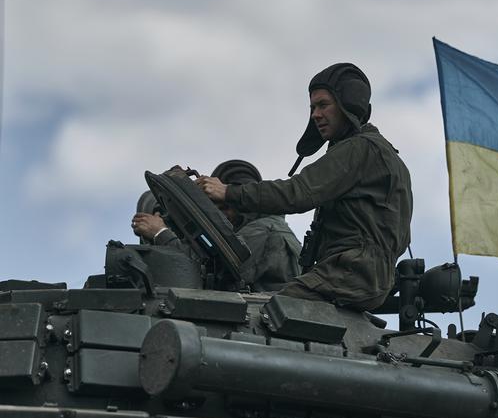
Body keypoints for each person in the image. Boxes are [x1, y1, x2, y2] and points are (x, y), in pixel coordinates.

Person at [197, 63, 413, 311]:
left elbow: (297, 193)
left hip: (351, 272)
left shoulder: (360, 149)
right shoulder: (380, 153)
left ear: (349, 105)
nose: (315, 115)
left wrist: (228, 192)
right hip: (358, 273)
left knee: (266, 313)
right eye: (312, 107)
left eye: (323, 105)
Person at [132, 160, 302, 292]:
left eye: (223, 207)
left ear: (239, 202)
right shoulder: (259, 226)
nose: (222, 215)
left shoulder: (264, 231)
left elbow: (210, 273)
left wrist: (161, 233)